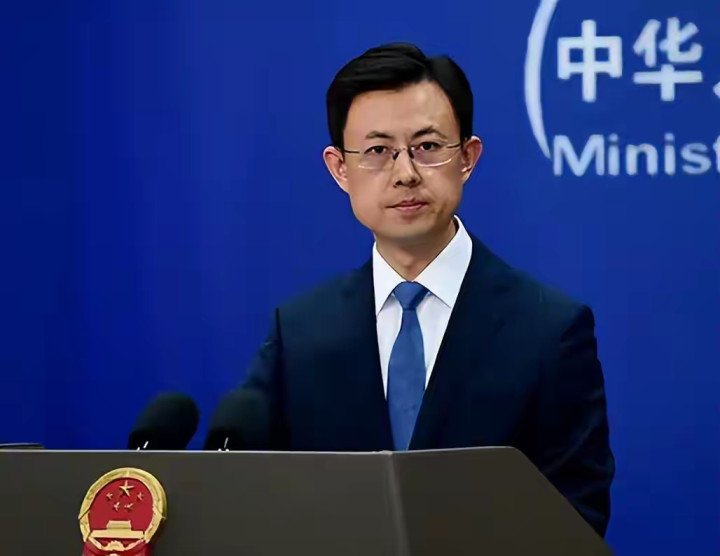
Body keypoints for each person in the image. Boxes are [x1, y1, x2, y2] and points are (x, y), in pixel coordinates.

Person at [232, 43, 614, 536]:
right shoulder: (300, 331)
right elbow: (252, 499)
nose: (405, 173)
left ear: (467, 158)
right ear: (339, 168)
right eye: (377, 151)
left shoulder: (548, 330)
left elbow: (575, 521)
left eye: (428, 147)